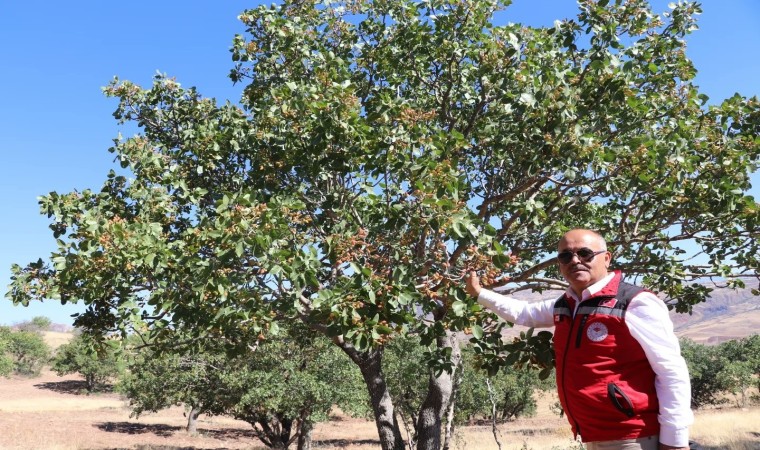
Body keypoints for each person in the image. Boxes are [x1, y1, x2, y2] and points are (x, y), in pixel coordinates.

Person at [465, 229, 693, 450]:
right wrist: (479, 293)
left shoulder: (634, 302)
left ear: (606, 258)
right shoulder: (567, 304)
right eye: (565, 256)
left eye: (584, 253)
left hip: (632, 435)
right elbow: (524, 313)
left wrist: (675, 440)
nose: (574, 260)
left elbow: (671, 370)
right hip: (593, 434)